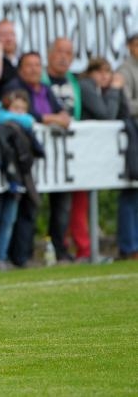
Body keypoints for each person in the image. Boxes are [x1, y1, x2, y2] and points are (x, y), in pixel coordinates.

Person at [3, 51, 70, 267]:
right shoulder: (14, 87)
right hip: (21, 156)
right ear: (20, 69)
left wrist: (59, 117)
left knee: (42, 206)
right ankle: (19, 256)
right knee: (23, 206)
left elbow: (64, 113)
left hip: (44, 160)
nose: (34, 69)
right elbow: (26, 116)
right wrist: (51, 118)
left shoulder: (45, 88)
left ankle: (39, 252)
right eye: (29, 65)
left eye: (37, 65)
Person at [0, 89, 40, 271]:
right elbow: (3, 117)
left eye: (23, 109)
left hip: (17, 174)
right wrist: (26, 119)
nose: (19, 113)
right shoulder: (1, 116)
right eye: (16, 108)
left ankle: (0, 256)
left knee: (9, 218)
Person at [80, 57, 130, 261]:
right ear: (89, 73)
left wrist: (116, 92)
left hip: (93, 155)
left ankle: (87, 249)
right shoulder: (87, 86)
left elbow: (123, 113)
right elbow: (107, 114)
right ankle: (84, 251)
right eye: (99, 71)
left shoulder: (103, 90)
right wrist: (115, 91)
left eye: (108, 72)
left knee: (83, 203)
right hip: (82, 153)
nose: (105, 76)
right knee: (78, 203)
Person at [42, 38, 81, 263]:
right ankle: (22, 252)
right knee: (31, 203)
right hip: (41, 151)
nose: (63, 57)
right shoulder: (41, 80)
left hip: (65, 154)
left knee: (63, 204)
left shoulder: (73, 82)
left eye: (68, 52)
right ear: (49, 54)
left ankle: (60, 248)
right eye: (59, 51)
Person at [117, 32, 138, 260]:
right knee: (131, 191)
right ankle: (129, 245)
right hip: (133, 136)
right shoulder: (125, 71)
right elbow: (126, 104)